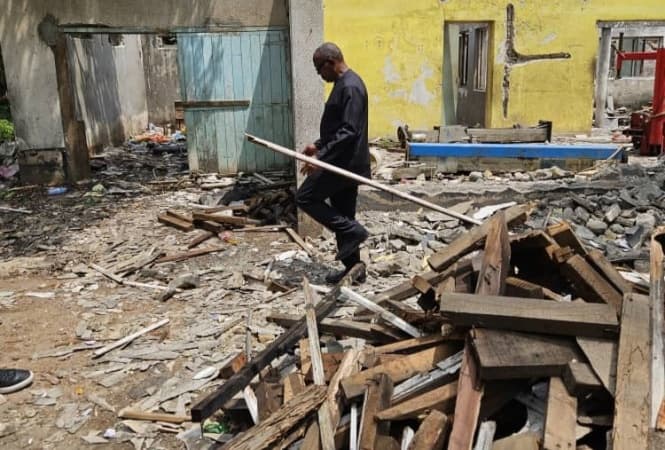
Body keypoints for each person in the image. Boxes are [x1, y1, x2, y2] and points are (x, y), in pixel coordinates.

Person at [296, 42, 370, 284]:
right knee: (343, 214)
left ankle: (354, 231)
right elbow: (339, 128)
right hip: (341, 161)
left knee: (305, 197)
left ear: (330, 62)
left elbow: (349, 131)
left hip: (343, 164)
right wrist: (318, 145)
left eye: (319, 69)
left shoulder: (351, 86)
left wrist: (321, 158)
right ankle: (354, 270)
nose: (320, 74)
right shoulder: (343, 85)